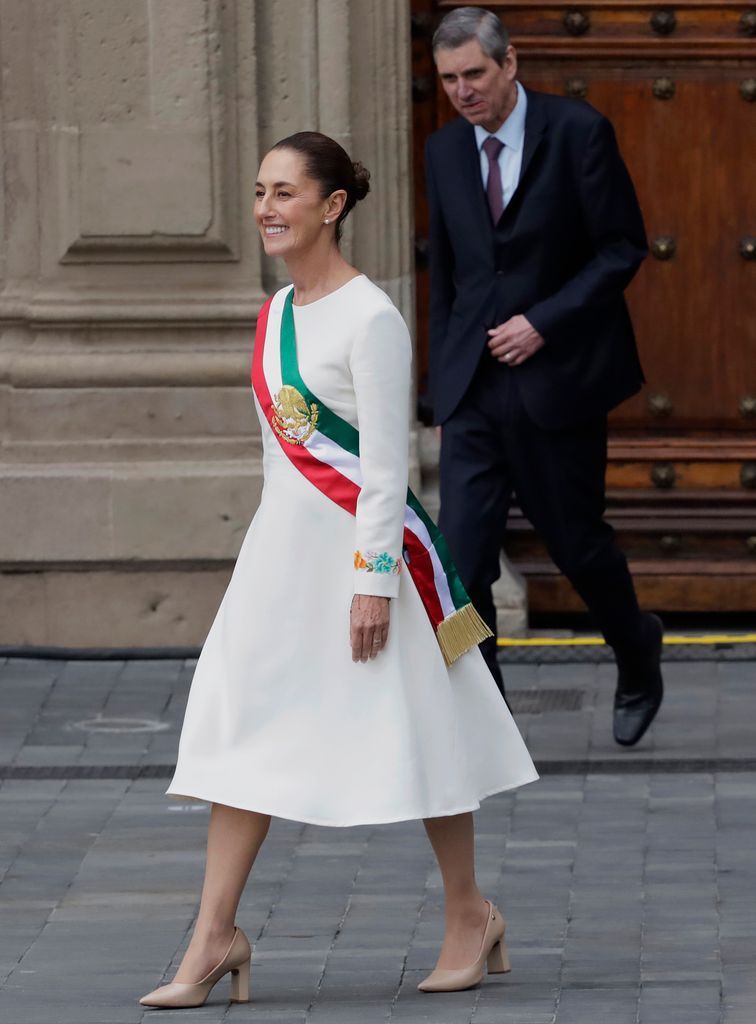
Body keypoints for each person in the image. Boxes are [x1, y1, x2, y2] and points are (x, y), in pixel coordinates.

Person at [138, 131, 537, 1010]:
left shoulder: (371, 318)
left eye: (285, 192)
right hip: (279, 561)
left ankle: (471, 914)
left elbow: (387, 467)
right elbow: (279, 461)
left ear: (332, 206)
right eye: (257, 191)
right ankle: (216, 935)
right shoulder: (276, 314)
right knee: (238, 731)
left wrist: (371, 580)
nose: (266, 209)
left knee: (424, 723)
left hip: (363, 560)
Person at [424, 7, 664, 747]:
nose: (462, 92)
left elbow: (622, 247)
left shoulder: (579, 132)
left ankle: (636, 648)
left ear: (509, 63)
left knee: (577, 545)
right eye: (448, 80)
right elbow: (452, 273)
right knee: (458, 566)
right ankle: (483, 713)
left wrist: (544, 322)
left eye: (474, 75)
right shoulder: (443, 152)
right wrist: (439, 385)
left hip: (556, 383)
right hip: (473, 392)